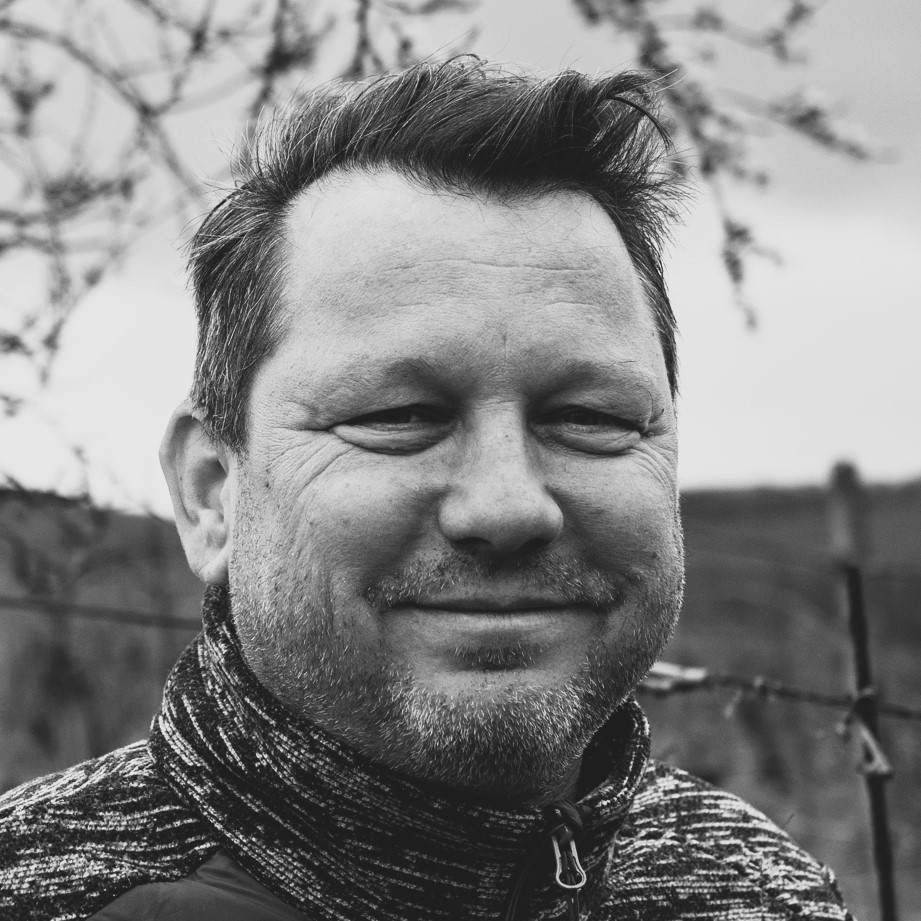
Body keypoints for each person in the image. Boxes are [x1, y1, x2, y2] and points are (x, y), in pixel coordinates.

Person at [0, 59, 853, 921]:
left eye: (588, 417)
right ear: (210, 493)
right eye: (401, 415)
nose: (507, 507)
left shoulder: (762, 891)